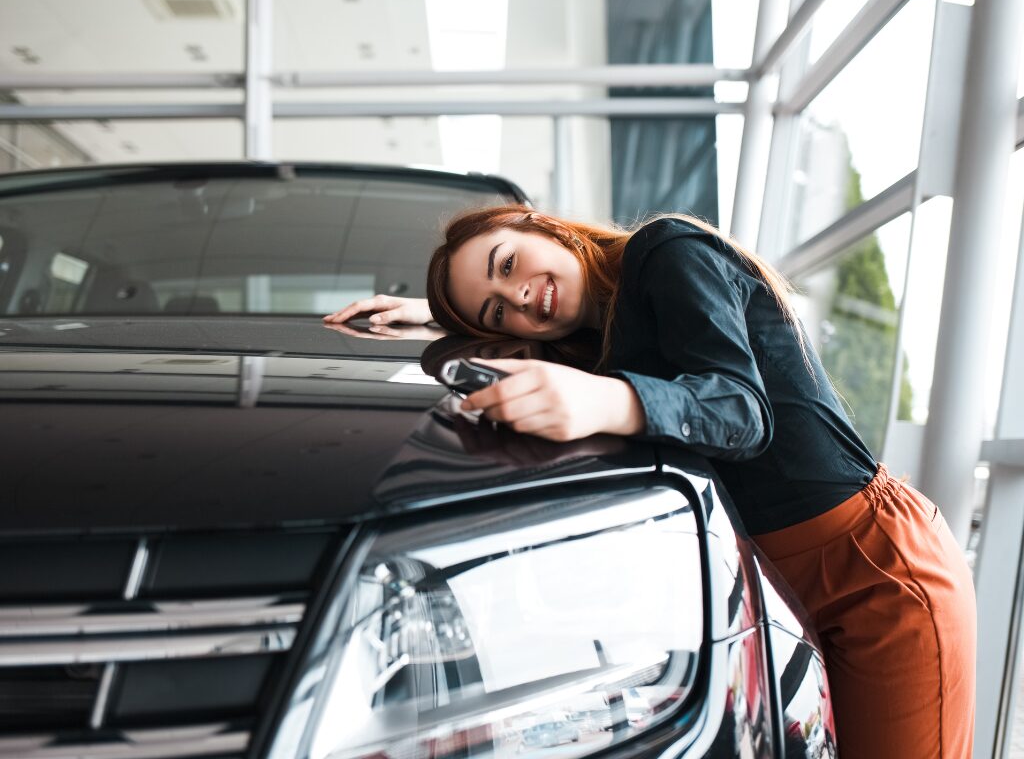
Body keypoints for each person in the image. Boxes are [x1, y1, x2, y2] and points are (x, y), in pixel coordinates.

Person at [323, 204, 977, 758]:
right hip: (778, 587)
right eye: (496, 312)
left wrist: (608, 403)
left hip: (873, 569)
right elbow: (554, 339)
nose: (519, 296)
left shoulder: (666, 250)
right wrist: (435, 314)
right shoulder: (601, 338)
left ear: (541, 226)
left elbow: (740, 411)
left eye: (507, 264)